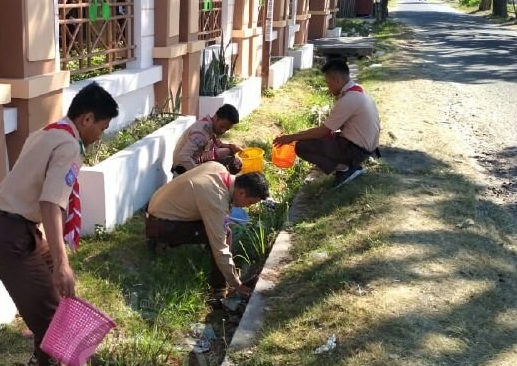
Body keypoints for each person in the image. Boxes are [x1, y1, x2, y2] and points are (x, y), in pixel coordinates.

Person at [0, 81, 119, 366]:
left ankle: (43, 363)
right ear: (86, 118)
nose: (100, 136)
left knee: (60, 306)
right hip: (11, 235)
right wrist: (61, 262)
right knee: (52, 326)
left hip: (15, 228)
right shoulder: (69, 145)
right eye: (101, 128)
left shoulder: (47, 131)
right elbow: (50, 202)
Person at [145, 162, 269, 297]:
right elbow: (220, 247)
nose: (247, 207)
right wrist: (236, 283)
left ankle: (216, 275)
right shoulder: (216, 199)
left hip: (155, 210)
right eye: (250, 202)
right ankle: (219, 290)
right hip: (161, 226)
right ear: (241, 192)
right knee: (224, 235)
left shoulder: (217, 168)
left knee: (220, 227)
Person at [273, 58, 380, 187]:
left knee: (301, 146)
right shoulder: (358, 90)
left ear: (336, 80)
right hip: (365, 148)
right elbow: (332, 128)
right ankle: (347, 165)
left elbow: (323, 131)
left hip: (355, 151)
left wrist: (290, 137)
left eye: (328, 83)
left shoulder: (349, 99)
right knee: (319, 138)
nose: (328, 87)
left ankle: (346, 168)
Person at [171, 104, 243, 175]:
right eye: (222, 126)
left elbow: (216, 144)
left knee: (229, 154)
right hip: (182, 171)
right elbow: (183, 157)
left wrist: (230, 146)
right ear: (216, 117)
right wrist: (202, 175)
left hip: (194, 161)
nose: (223, 131)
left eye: (227, 129)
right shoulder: (200, 134)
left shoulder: (209, 125)